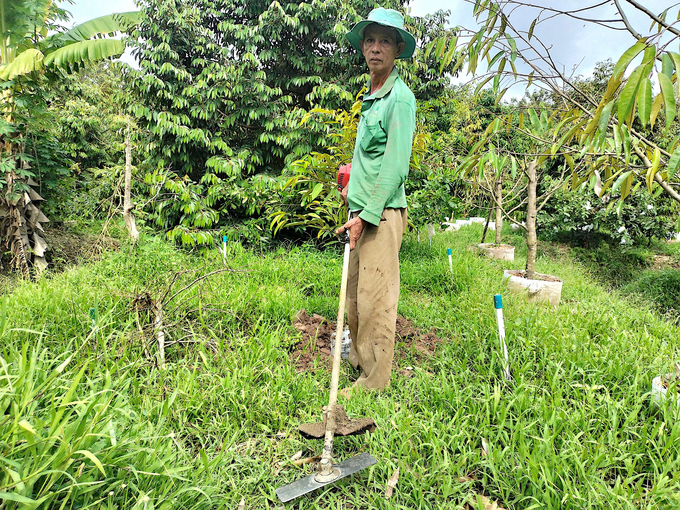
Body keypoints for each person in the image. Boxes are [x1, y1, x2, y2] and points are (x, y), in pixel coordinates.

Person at [336, 7, 416, 397]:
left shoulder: (399, 99)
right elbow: (372, 158)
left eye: (385, 40)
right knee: (354, 294)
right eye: (370, 40)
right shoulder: (372, 95)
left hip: (380, 214)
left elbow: (395, 167)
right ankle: (358, 361)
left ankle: (374, 381)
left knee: (376, 298)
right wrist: (350, 181)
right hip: (362, 210)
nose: (375, 48)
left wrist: (366, 215)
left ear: (398, 49)